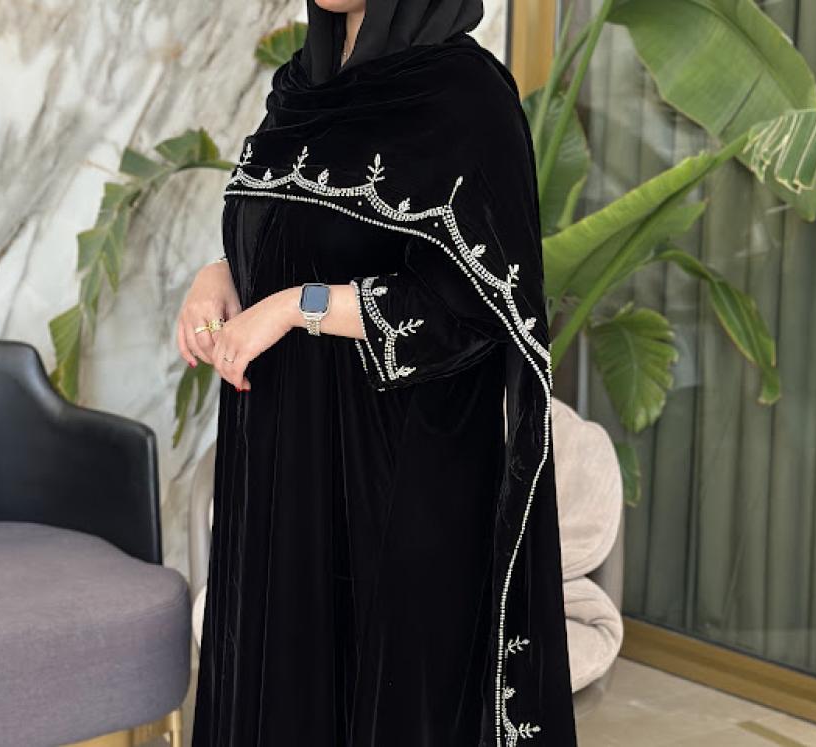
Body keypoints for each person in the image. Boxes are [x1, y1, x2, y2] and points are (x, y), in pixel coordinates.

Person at [184, 1, 578, 745]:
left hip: (397, 474)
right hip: (286, 463)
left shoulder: (466, 95)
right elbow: (296, 231)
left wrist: (294, 308)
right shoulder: (300, 87)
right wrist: (219, 274)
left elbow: (476, 307)